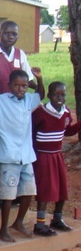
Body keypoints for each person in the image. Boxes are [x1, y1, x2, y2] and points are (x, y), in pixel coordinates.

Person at [0, 68, 44, 242]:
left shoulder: (29, 100)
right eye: (17, 85)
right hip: (8, 156)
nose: (20, 89)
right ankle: (3, 229)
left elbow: (40, 94)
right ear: (9, 85)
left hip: (26, 155)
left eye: (24, 86)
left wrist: (39, 79)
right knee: (8, 195)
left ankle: (18, 222)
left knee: (28, 191)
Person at [32, 81, 80, 234]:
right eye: (56, 94)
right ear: (49, 96)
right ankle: (40, 223)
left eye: (63, 94)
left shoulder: (65, 112)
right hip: (43, 156)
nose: (60, 97)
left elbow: (66, 132)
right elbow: (31, 134)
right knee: (45, 187)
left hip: (57, 154)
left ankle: (57, 219)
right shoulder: (40, 113)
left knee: (62, 186)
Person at [0, 21, 36, 95]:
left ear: (18, 36)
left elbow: (28, 80)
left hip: (14, 102)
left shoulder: (20, 54)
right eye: (6, 33)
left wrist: (39, 85)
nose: (10, 37)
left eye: (14, 34)